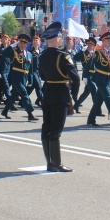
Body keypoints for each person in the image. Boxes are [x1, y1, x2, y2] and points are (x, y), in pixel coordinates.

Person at [38, 22, 78, 172]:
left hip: (47, 92)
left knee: (46, 127)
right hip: (61, 93)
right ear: (55, 39)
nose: (61, 39)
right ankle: (56, 163)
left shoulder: (42, 56)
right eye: (60, 37)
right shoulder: (63, 56)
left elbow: (42, 75)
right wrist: (74, 94)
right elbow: (75, 77)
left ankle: (49, 162)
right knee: (56, 129)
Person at [0, 33, 38, 122]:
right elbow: (4, 54)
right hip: (16, 77)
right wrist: (11, 46)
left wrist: (30, 80)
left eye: (24, 43)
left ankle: (5, 111)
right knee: (24, 94)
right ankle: (30, 113)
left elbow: (31, 69)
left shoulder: (29, 54)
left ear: (27, 44)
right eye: (20, 42)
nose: (22, 44)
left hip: (24, 77)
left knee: (14, 95)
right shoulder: (14, 52)